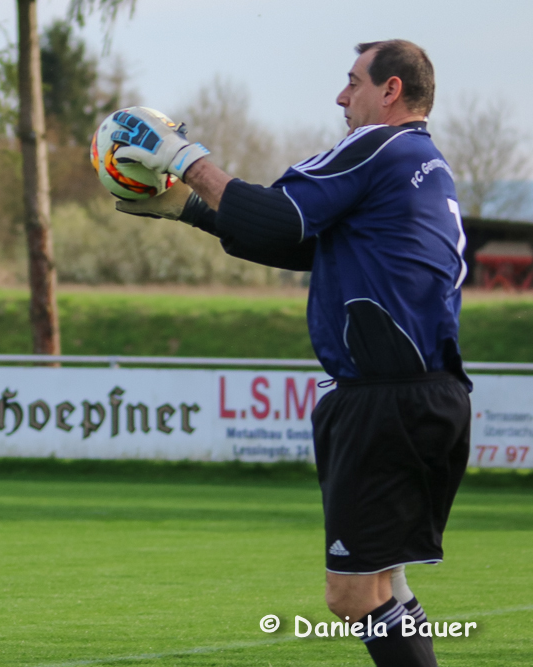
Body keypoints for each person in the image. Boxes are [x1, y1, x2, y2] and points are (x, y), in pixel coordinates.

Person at [111, 40, 470, 667]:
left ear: (391, 90)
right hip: (430, 398)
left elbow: (281, 218)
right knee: (386, 583)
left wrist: (185, 160)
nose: (341, 96)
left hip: (383, 403)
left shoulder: (379, 146)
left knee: (352, 596)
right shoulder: (423, 161)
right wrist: (193, 210)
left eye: (353, 82)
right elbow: (303, 245)